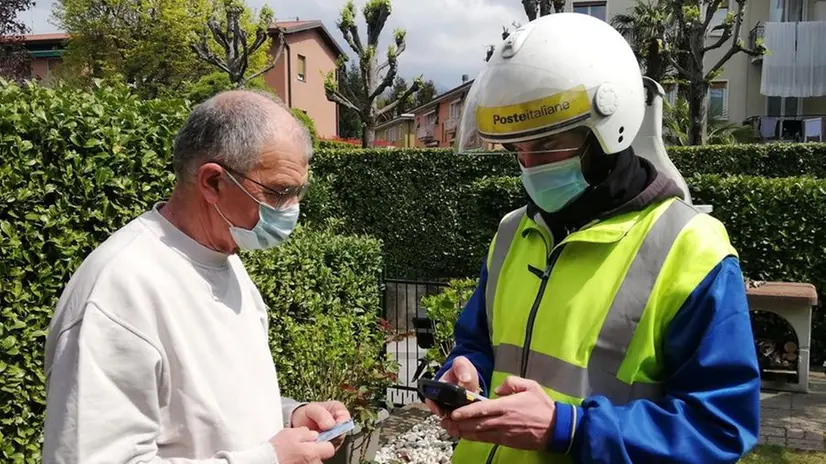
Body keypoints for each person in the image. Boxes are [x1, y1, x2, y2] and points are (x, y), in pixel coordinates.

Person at [427, 12, 761, 464]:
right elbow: (478, 343)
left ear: (610, 126)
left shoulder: (691, 248)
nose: (529, 165)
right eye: (515, 149)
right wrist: (465, 372)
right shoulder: (513, 231)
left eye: (545, 145)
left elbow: (718, 427)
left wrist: (568, 428)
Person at [43, 90, 349, 464]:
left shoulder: (225, 258)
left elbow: (206, 410)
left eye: (297, 192)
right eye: (280, 192)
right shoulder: (118, 290)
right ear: (212, 182)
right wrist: (266, 460)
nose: (291, 210)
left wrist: (290, 415)